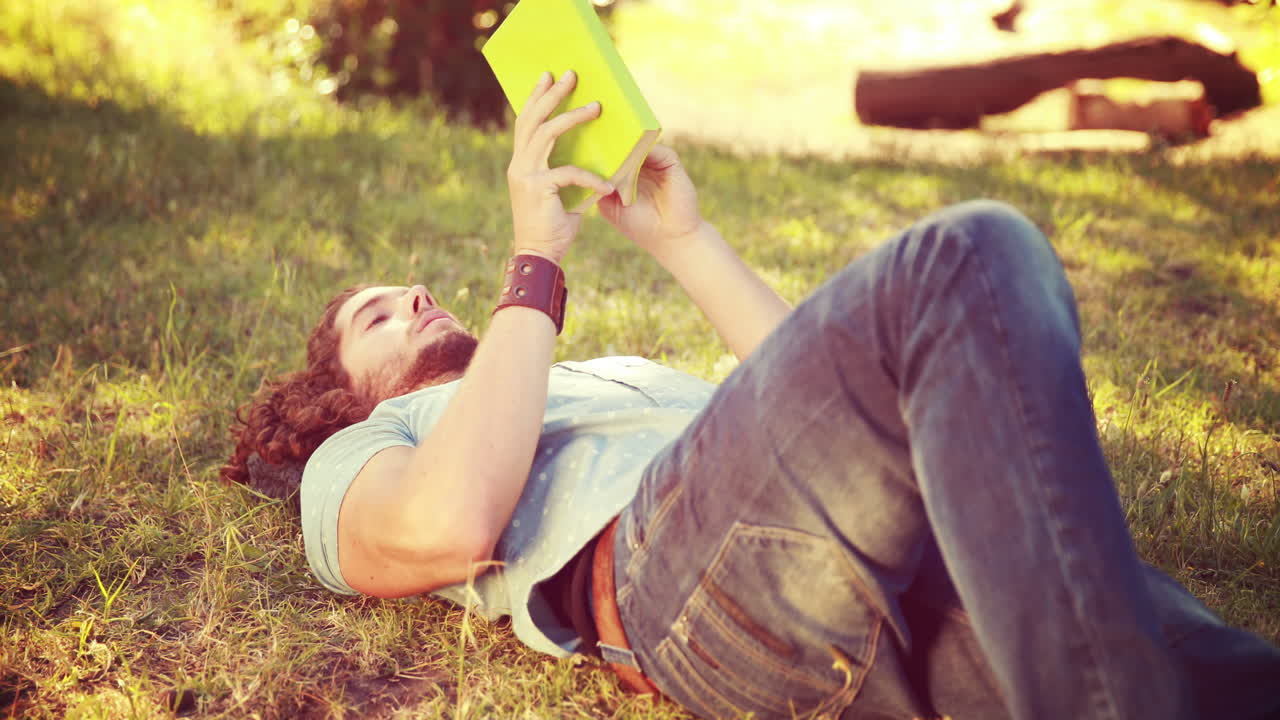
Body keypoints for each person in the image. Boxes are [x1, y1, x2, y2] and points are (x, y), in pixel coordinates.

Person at [221, 69, 1280, 720]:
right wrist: (533, 261)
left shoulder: (598, 377)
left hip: (882, 562)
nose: (412, 294)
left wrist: (681, 239)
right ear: (340, 398)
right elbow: (451, 525)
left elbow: (844, 398)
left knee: (1214, 675)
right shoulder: (361, 453)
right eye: (375, 318)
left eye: (406, 292)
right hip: (684, 589)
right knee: (968, 256)